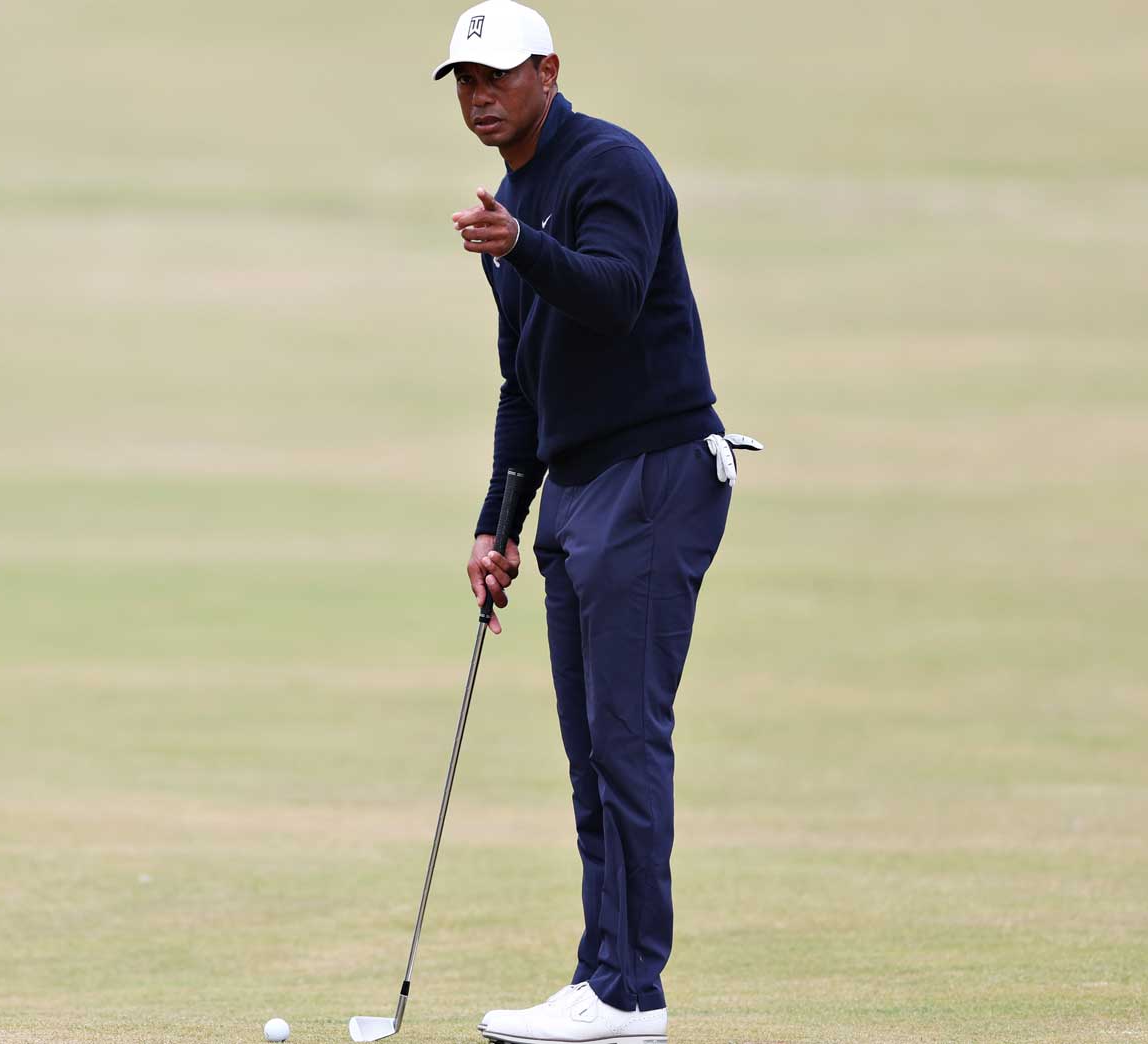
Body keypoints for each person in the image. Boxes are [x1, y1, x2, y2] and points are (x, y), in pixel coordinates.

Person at [432, 2, 760, 1041]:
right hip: (576, 486)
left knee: (625, 739)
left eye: (496, 76)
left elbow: (613, 294)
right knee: (588, 748)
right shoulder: (512, 204)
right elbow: (521, 385)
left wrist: (520, 244)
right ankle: (600, 977)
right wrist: (496, 524)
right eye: (463, 83)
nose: (479, 98)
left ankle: (630, 991)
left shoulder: (608, 165)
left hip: (655, 470)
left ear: (546, 72)